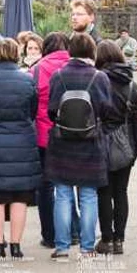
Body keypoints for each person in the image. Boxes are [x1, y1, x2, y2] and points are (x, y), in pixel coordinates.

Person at [46, 33, 111, 261]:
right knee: (89, 195)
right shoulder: (99, 77)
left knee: (62, 195)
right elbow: (106, 109)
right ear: (91, 51)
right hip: (91, 142)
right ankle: (87, 248)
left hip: (62, 143)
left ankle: (62, 247)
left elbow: (52, 110)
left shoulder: (58, 76)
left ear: (70, 51)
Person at [0, 39, 41, 259]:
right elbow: (32, 111)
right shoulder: (27, 80)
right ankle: (16, 245)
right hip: (22, 142)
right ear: (17, 54)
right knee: (19, 198)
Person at [93, 41, 137, 255]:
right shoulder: (132, 86)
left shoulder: (96, 81)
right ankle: (120, 239)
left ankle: (106, 238)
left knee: (104, 192)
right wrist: (134, 151)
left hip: (100, 142)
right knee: (121, 192)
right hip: (125, 144)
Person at [29, 33, 74, 249]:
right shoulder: (76, 66)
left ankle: (49, 235)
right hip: (74, 133)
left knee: (45, 187)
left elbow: (31, 99)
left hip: (44, 134)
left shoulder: (37, 68)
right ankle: (73, 231)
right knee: (70, 185)